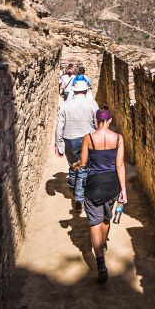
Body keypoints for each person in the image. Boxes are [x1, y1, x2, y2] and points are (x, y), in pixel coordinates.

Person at [75, 109, 127, 282]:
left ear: (96, 120)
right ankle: (102, 244)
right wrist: (123, 190)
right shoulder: (118, 138)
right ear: (110, 120)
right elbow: (119, 166)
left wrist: (75, 166)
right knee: (105, 219)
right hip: (111, 185)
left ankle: (100, 263)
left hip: (94, 185)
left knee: (94, 223)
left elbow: (83, 163)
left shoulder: (88, 138)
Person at [55, 80, 99, 212]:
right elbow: (97, 125)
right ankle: (79, 198)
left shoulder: (65, 105)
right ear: (86, 91)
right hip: (87, 138)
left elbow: (59, 127)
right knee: (84, 168)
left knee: (73, 164)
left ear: (74, 91)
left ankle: (72, 185)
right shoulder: (92, 104)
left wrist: (59, 144)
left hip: (70, 138)